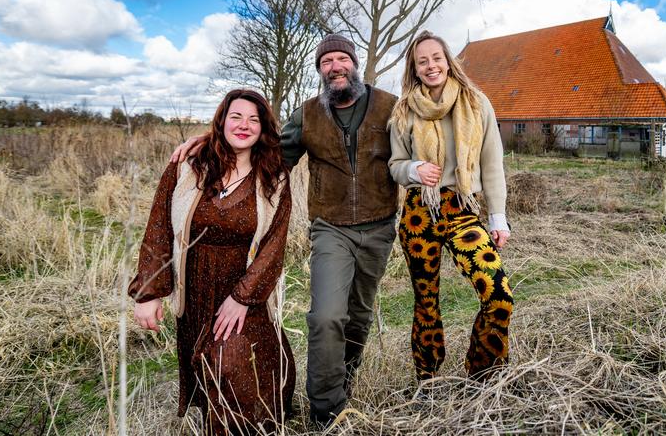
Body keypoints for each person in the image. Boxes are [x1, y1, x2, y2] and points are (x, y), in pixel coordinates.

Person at [172, 34, 399, 428]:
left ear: (354, 64)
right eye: (326, 61)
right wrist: (209, 139)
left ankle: (342, 377)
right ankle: (326, 410)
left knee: (358, 317)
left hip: (380, 227)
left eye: (342, 58)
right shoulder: (309, 114)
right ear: (320, 70)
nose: (335, 66)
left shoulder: (389, 107)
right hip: (331, 228)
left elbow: (417, 145)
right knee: (327, 316)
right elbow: (268, 152)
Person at [130, 89, 295, 434]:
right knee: (207, 369)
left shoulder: (274, 176)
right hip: (195, 289)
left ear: (263, 128)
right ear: (221, 120)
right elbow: (159, 227)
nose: (244, 125)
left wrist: (243, 298)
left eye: (254, 119)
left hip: (244, 289)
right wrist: (148, 291)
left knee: (234, 363)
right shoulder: (189, 167)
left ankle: (257, 424)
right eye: (236, 116)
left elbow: (274, 245)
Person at [388, 30, 513, 382]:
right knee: (426, 303)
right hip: (419, 212)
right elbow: (395, 165)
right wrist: (413, 169)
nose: (431, 66)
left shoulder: (476, 103)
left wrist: (498, 218)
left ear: (448, 61)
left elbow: (492, 164)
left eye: (436, 58)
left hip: (462, 208)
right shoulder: (403, 110)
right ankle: (427, 379)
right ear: (414, 68)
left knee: (498, 295)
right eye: (422, 61)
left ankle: (484, 374)